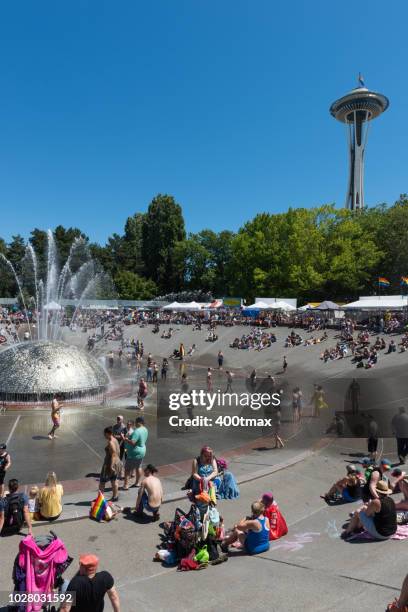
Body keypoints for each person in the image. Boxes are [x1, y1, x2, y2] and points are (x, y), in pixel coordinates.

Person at [122, 416, 148, 490]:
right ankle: (137, 483)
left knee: (127, 469)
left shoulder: (137, 431)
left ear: (139, 422)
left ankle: (126, 485)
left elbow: (133, 442)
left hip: (134, 453)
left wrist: (125, 439)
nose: (135, 424)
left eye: (136, 422)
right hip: (142, 450)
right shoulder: (145, 429)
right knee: (138, 467)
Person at [99, 427, 122, 502]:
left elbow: (113, 454)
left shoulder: (111, 442)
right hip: (117, 462)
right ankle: (115, 496)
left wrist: (111, 466)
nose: (104, 435)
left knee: (102, 481)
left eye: (104, 434)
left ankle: (100, 499)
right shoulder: (115, 439)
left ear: (108, 434)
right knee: (114, 480)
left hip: (109, 464)